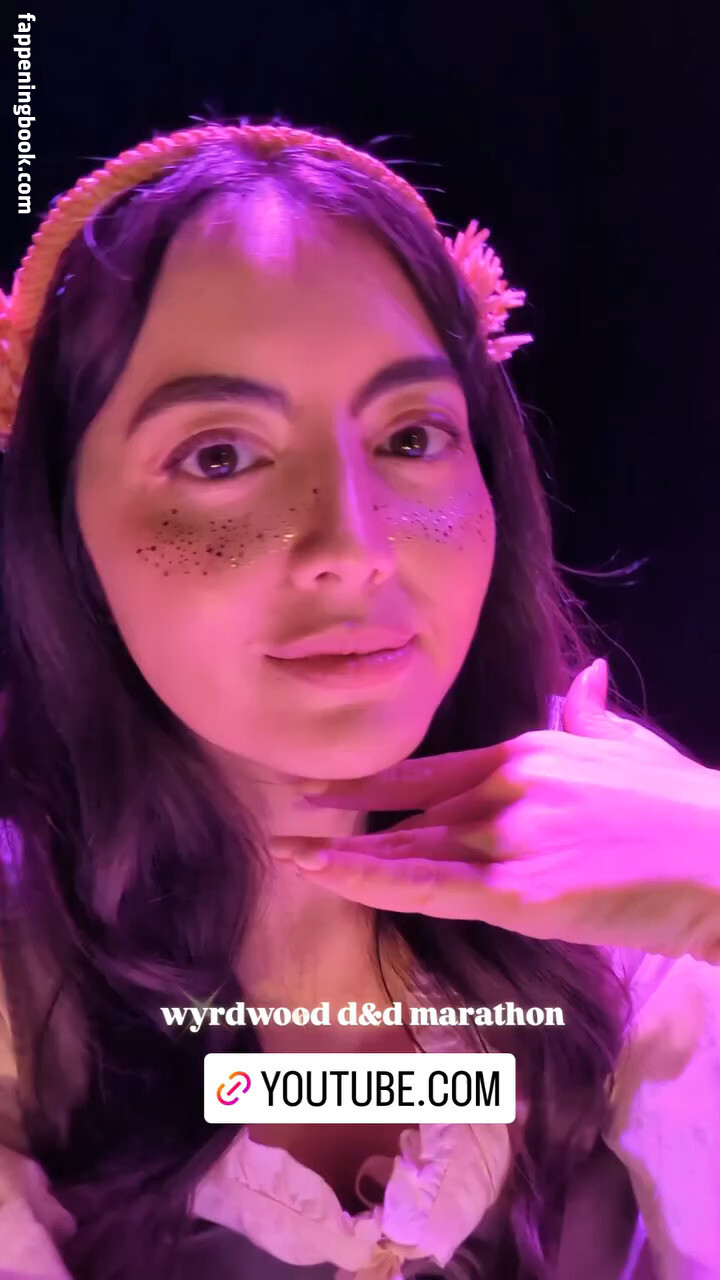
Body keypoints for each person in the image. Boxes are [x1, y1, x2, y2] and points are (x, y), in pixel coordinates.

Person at [0, 118, 718, 1280]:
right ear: (61, 527)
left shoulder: (626, 867)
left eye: (411, 435)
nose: (356, 545)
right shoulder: (23, 972)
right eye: (221, 456)